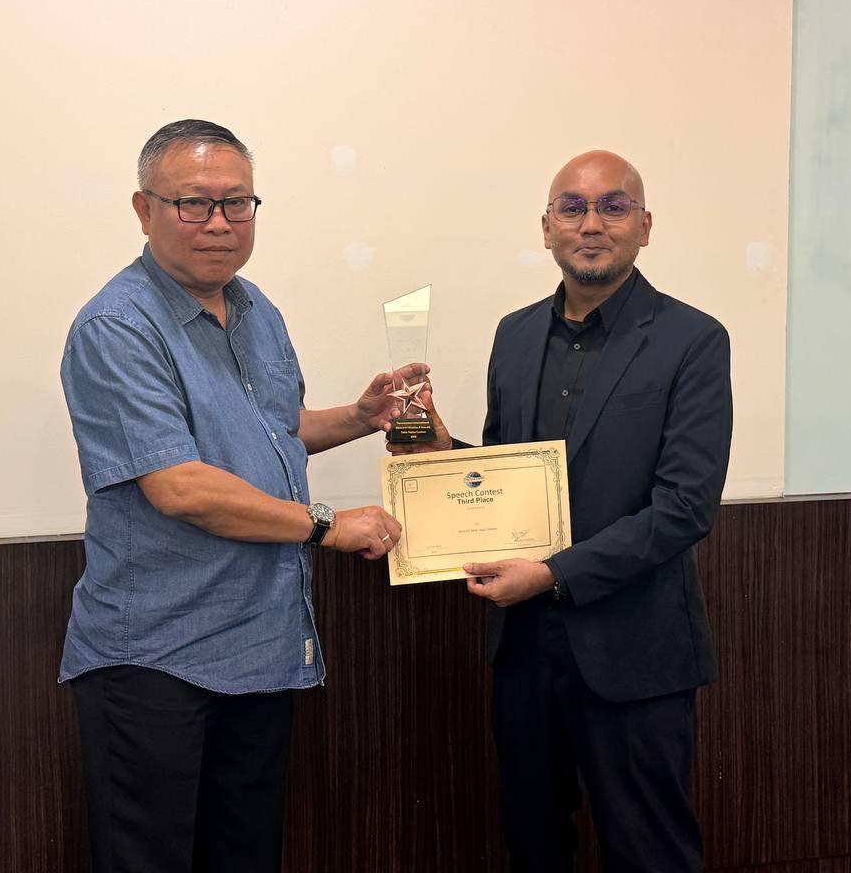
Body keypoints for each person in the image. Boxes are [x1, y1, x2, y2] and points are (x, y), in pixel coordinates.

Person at [58, 119, 422, 873]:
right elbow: (180, 485)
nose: (219, 222)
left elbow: (271, 432)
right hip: (157, 658)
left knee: (246, 855)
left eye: (237, 203)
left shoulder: (255, 309)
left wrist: (360, 418)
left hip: (258, 647)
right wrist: (326, 525)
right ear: (145, 209)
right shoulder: (117, 326)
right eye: (194, 203)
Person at [393, 150, 732, 872]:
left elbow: (684, 507)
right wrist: (438, 451)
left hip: (635, 650)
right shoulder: (515, 335)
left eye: (614, 206)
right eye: (572, 208)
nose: (592, 223)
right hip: (523, 647)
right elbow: (506, 475)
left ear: (645, 226)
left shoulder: (693, 339)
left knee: (650, 851)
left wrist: (552, 573)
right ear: (546, 228)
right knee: (533, 842)